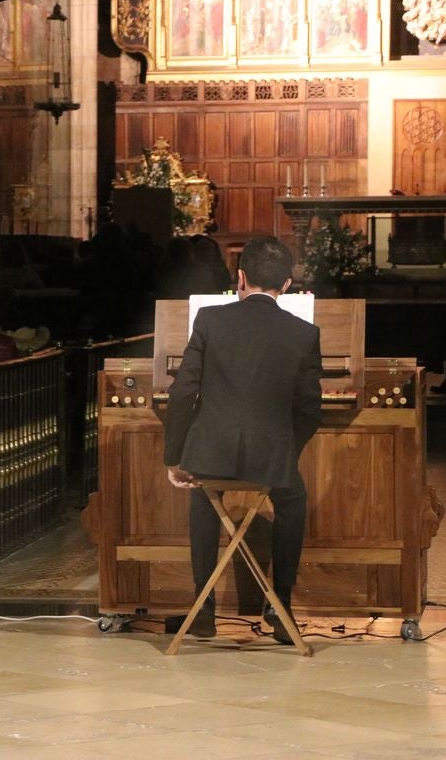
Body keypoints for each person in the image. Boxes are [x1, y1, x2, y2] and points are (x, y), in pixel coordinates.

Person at [163, 236, 322, 642]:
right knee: (292, 497)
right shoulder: (304, 333)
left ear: (241, 277)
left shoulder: (211, 320)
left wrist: (175, 458)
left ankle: (203, 610)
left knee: (203, 497)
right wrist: (286, 449)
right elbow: (308, 408)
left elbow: (183, 392)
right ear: (287, 286)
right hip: (272, 456)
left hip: (209, 454)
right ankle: (280, 608)